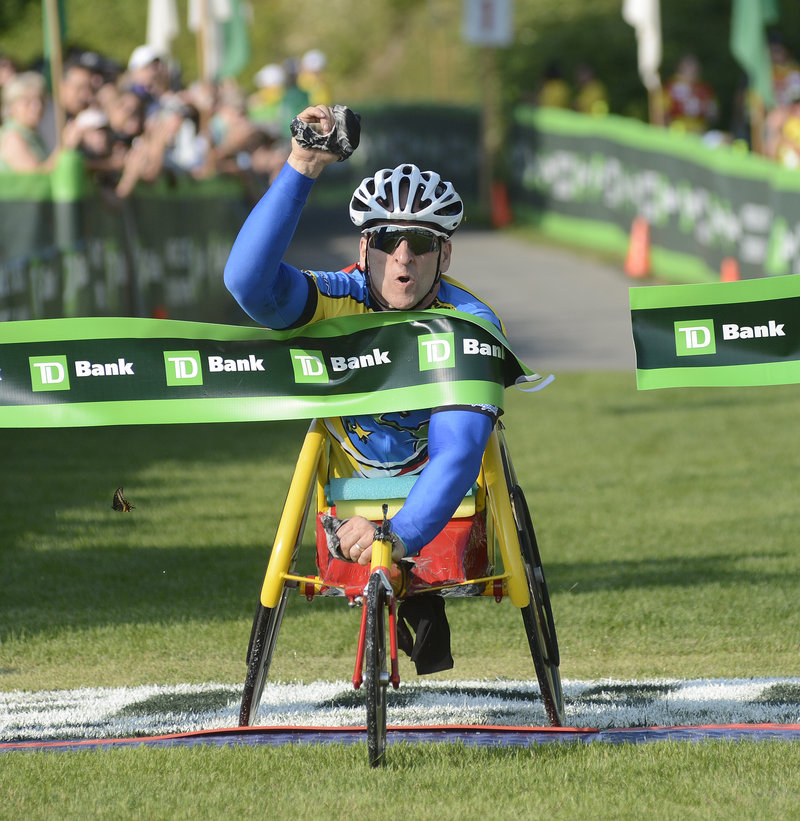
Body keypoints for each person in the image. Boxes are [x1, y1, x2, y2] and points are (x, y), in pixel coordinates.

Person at [224, 104, 505, 570]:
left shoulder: (469, 322)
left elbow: (457, 449)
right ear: (362, 248)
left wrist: (398, 534)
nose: (401, 259)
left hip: (437, 499)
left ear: (445, 256)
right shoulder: (338, 295)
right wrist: (302, 166)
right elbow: (248, 284)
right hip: (345, 488)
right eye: (385, 241)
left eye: (419, 243)